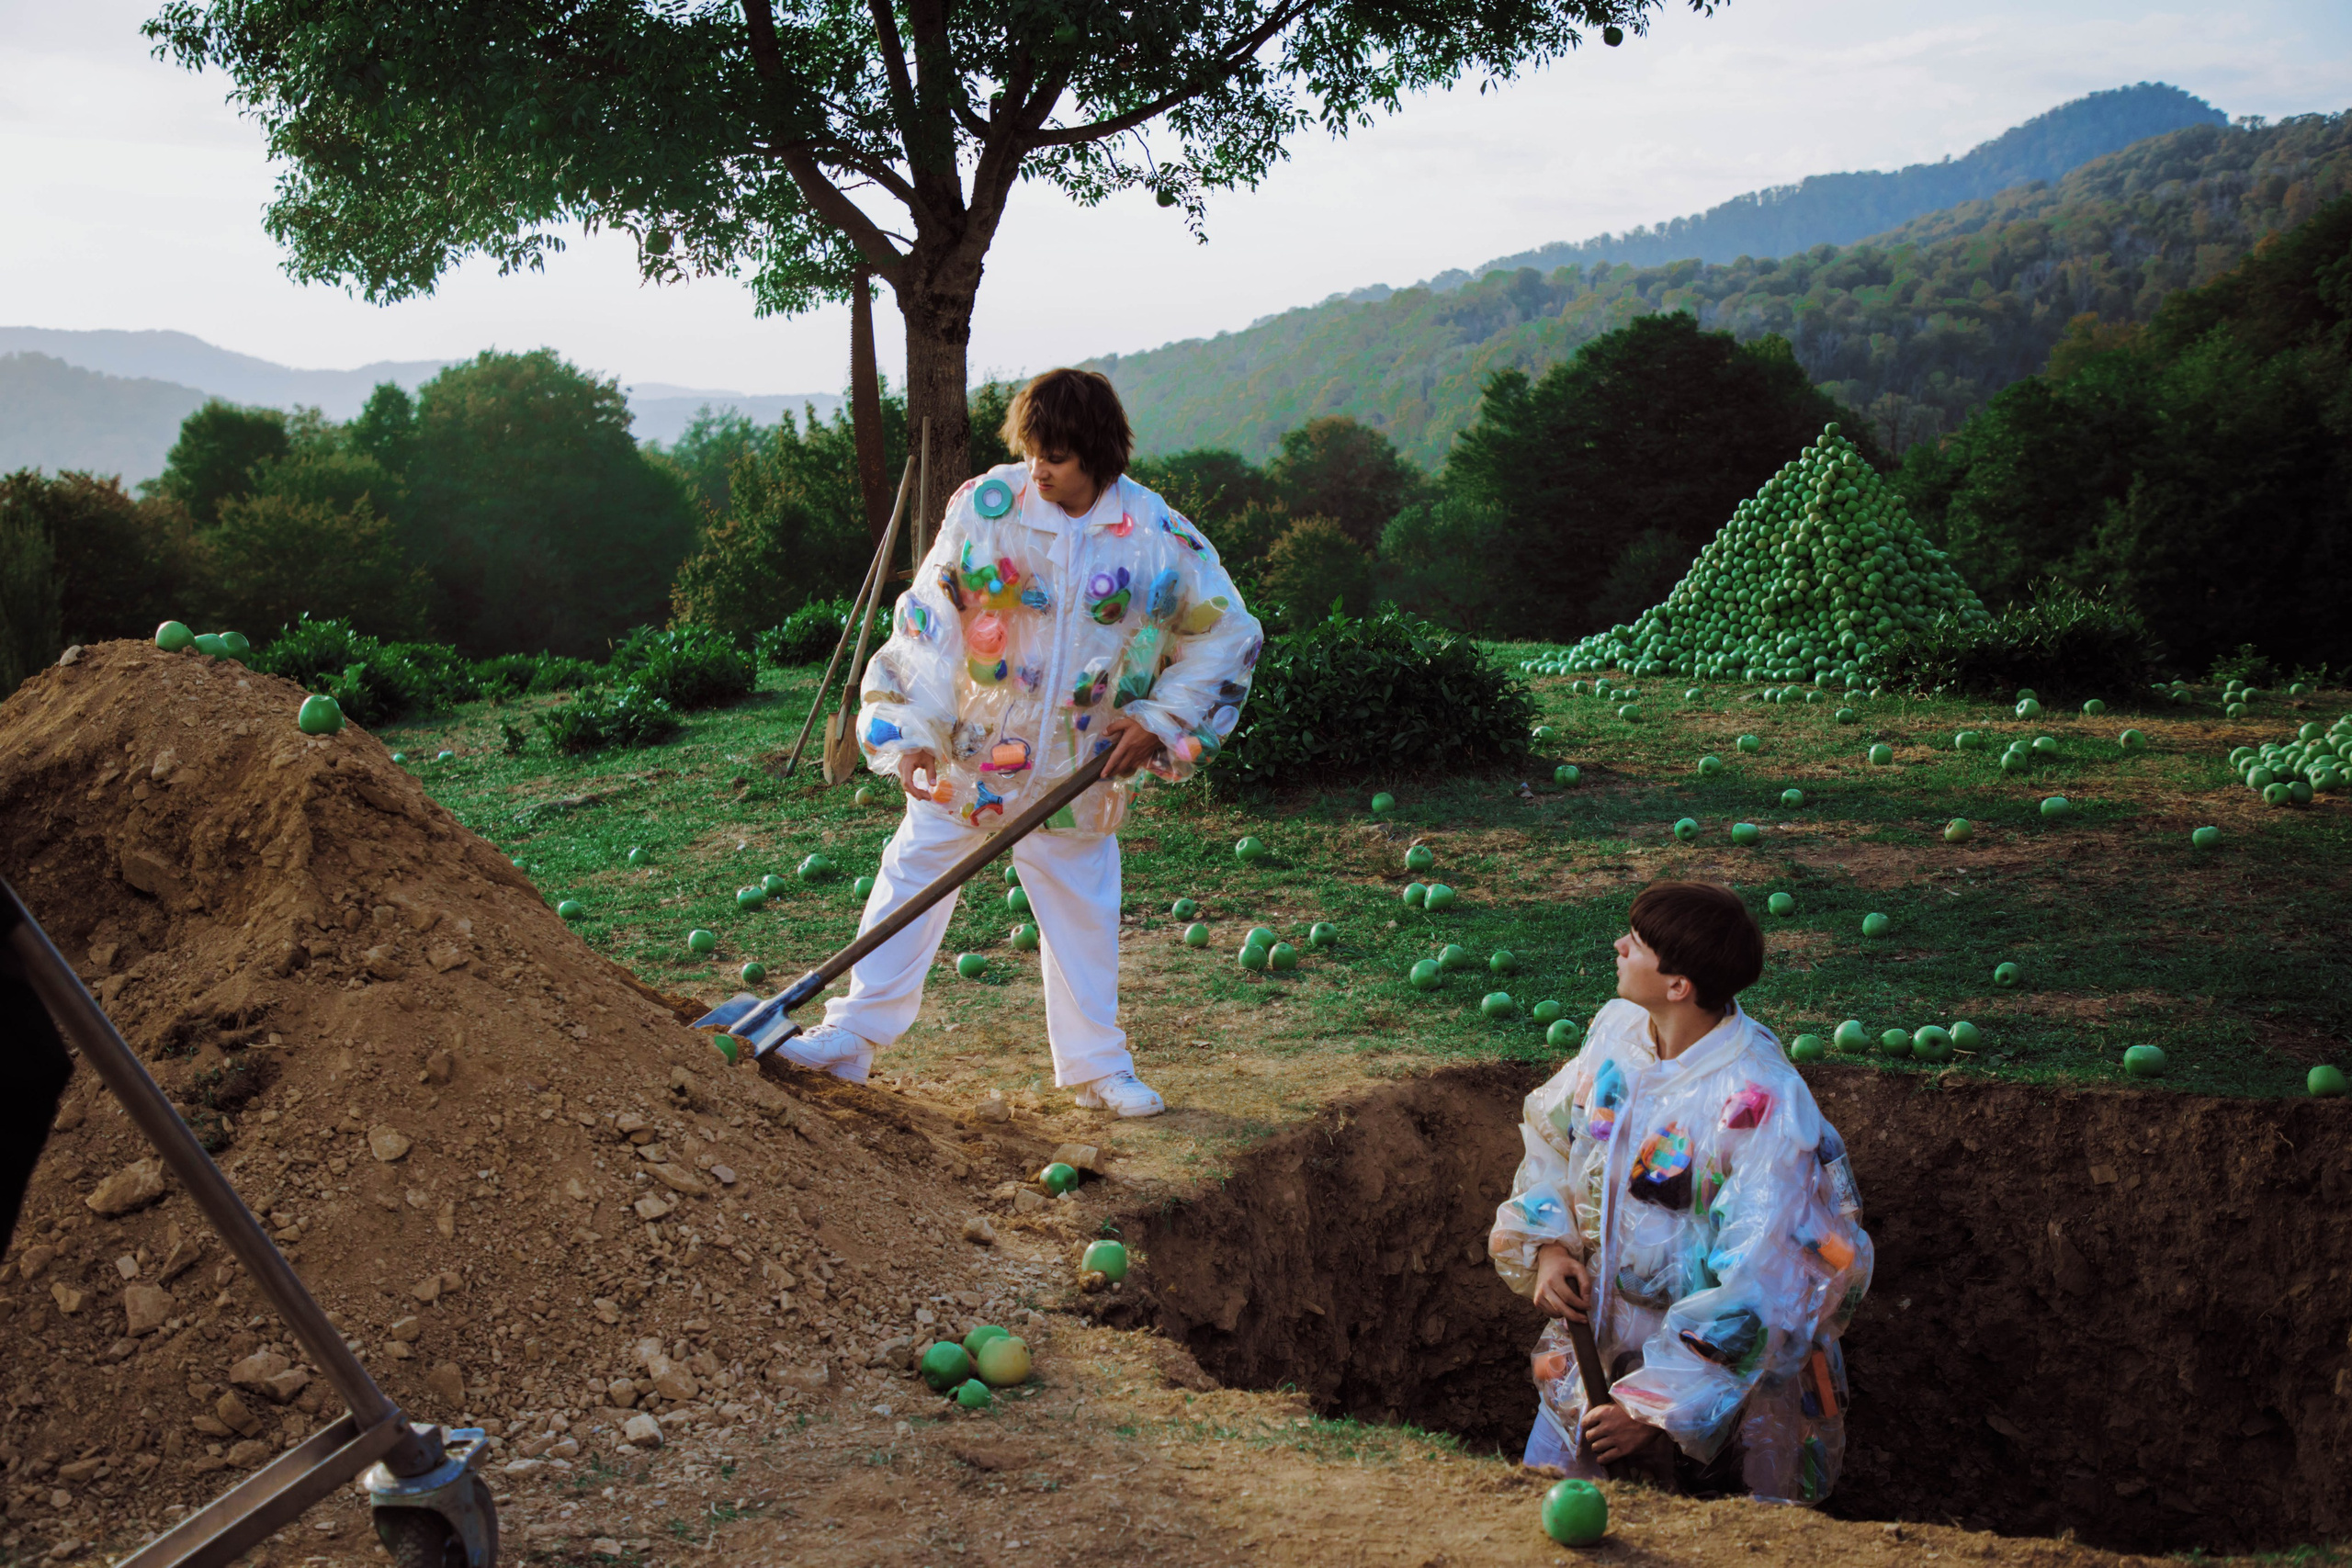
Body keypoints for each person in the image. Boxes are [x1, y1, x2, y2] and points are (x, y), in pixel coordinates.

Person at [775, 368, 1263, 1116]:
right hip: (973, 757)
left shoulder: (1157, 536)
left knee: (1083, 911)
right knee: (907, 878)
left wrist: (1160, 718)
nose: (1040, 468)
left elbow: (1229, 631)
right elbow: (929, 618)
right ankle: (850, 1037)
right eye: (1033, 450)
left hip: (1077, 768)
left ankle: (1099, 1067)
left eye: (1058, 456)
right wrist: (912, 730)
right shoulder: (987, 510)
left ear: (1098, 453)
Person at [1488, 880, 1871, 1503]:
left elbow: (1765, 1284)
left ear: (1678, 986)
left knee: (1728, 1537)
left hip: (1734, 1400)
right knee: (1555, 1515)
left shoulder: (1759, 1104)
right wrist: (1550, 1248)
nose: (1617, 945)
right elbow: (1554, 1136)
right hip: (1596, 1354)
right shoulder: (1619, 1032)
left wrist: (1655, 1407)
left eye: (1634, 943)